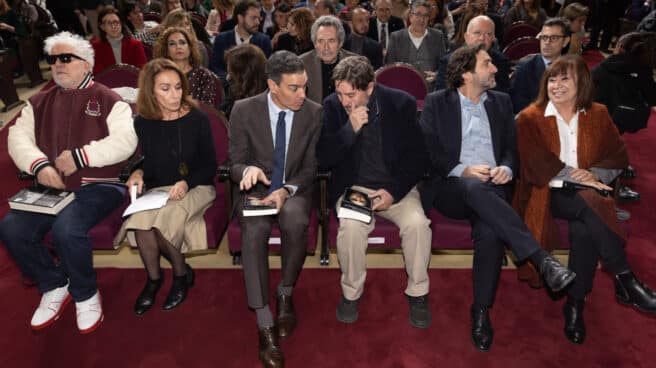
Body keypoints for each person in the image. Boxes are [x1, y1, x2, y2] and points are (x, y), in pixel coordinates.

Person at [419, 44, 575, 351]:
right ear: (466, 73)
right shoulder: (438, 102)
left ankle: (480, 310)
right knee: (474, 187)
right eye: (487, 63)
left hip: (493, 186)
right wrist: (462, 170)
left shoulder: (501, 102)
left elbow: (510, 149)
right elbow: (429, 152)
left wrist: (505, 167)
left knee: (490, 232)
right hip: (452, 188)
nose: (495, 68)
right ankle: (540, 258)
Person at [0, 31, 138, 334]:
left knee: (67, 227)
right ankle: (53, 284)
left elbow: (126, 142)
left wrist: (80, 156)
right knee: (11, 228)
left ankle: (85, 292)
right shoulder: (38, 101)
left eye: (66, 58)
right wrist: (40, 166)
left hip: (99, 183)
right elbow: (17, 138)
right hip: (50, 186)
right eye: (52, 59)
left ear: (86, 64)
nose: (58, 65)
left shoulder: (109, 99)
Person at [514, 54, 656, 345]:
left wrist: (593, 175)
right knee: (592, 201)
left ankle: (575, 303)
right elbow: (534, 162)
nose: (556, 85)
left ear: (582, 83)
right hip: (546, 193)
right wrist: (579, 177)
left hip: (588, 195)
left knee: (585, 226)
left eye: (565, 78)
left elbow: (618, 156)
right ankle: (625, 278)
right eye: (552, 79)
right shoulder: (530, 117)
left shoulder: (599, 114)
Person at [316, 56, 432, 328]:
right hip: (354, 187)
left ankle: (418, 292)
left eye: (351, 94)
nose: (345, 101)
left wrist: (393, 192)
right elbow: (322, 158)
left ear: (369, 88)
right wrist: (350, 130)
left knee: (418, 225)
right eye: (340, 93)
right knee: (351, 230)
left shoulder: (400, 104)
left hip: (395, 187)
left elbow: (419, 159)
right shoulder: (332, 107)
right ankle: (351, 293)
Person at [229, 50, 321, 368]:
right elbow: (235, 162)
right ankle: (264, 320)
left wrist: (286, 190)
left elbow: (310, 168)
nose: (302, 94)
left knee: (296, 219)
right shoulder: (243, 110)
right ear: (272, 85)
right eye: (294, 88)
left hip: (292, 187)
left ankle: (285, 291)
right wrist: (247, 172)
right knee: (254, 231)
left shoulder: (313, 113)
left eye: (305, 86)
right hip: (255, 188)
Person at [114, 58, 216, 315]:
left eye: (178, 87)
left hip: (197, 186)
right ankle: (154, 279)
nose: (174, 94)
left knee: (164, 220)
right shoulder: (143, 122)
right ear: (150, 91)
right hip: (160, 189)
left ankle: (180, 276)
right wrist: (138, 171)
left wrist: (186, 182)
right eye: (165, 88)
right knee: (140, 220)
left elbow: (210, 165)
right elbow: (149, 162)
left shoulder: (198, 118)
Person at [435, 15, 511, 92]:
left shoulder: (501, 61)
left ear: (493, 39)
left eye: (488, 34)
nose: (482, 38)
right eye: (477, 33)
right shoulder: (448, 61)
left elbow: (503, 95)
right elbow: (442, 96)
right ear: (466, 37)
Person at [510, 17, 570, 114]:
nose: (547, 42)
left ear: (565, 41)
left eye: (553, 38)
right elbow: (519, 106)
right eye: (544, 37)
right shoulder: (525, 67)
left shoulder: (573, 68)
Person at [154, 27, 221, 108]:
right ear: (167, 50)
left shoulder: (203, 75)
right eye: (172, 44)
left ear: (190, 47)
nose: (178, 46)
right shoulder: (159, 75)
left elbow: (207, 108)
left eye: (182, 42)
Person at [386, 0, 447, 86]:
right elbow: (389, 67)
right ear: (410, 15)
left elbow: (443, 66)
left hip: (430, 91)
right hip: (403, 90)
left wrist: (436, 75)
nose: (421, 19)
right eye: (418, 14)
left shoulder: (437, 36)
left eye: (425, 15)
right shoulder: (396, 37)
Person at [210, 0, 272, 84]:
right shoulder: (221, 39)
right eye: (253, 18)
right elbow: (215, 67)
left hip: (255, 91)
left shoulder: (264, 41)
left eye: (258, 18)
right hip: (228, 90)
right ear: (240, 18)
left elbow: (267, 70)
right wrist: (229, 79)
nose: (258, 22)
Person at [299, 15, 356, 104]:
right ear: (315, 43)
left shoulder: (356, 64)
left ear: (340, 43)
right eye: (321, 41)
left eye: (331, 41)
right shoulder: (302, 64)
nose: (326, 47)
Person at [91, 6, 147, 75]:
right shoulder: (96, 47)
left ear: (121, 24)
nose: (114, 26)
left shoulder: (135, 44)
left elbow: (143, 71)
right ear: (102, 27)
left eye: (116, 22)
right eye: (109, 23)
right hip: (108, 84)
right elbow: (98, 74)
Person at [221, 43, 268, 118]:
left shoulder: (269, 101)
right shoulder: (233, 88)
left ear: (244, 74)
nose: (228, 77)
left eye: (232, 73)